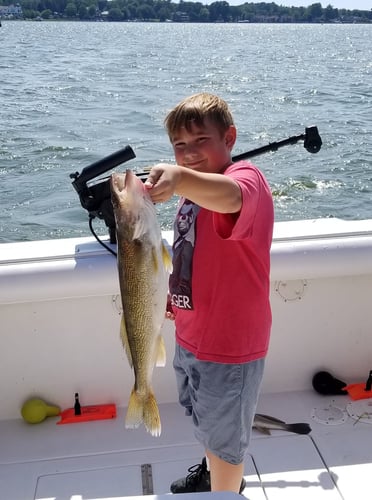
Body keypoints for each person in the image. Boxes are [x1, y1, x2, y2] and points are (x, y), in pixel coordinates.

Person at [145, 93, 274, 495]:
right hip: (191, 335)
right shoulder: (191, 194)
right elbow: (193, 251)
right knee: (206, 420)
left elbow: (232, 197)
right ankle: (212, 472)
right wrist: (175, 293)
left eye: (200, 140)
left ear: (229, 138)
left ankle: (225, 489)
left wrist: (181, 177)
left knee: (226, 443)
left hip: (229, 347)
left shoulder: (246, 179)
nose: (189, 153)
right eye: (179, 146)